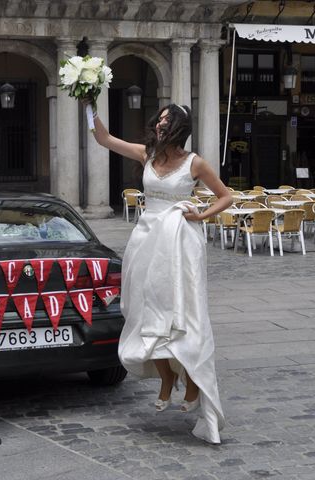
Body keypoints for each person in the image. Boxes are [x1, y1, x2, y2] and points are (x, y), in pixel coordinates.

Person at [87, 102, 233, 444]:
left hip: (181, 244)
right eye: (159, 119)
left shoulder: (194, 162)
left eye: (168, 121)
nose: (160, 124)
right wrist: (89, 103)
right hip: (147, 241)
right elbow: (104, 138)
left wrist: (201, 215)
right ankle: (167, 376)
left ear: (180, 127)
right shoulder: (146, 155)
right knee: (142, 310)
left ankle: (194, 379)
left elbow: (225, 196)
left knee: (181, 314)